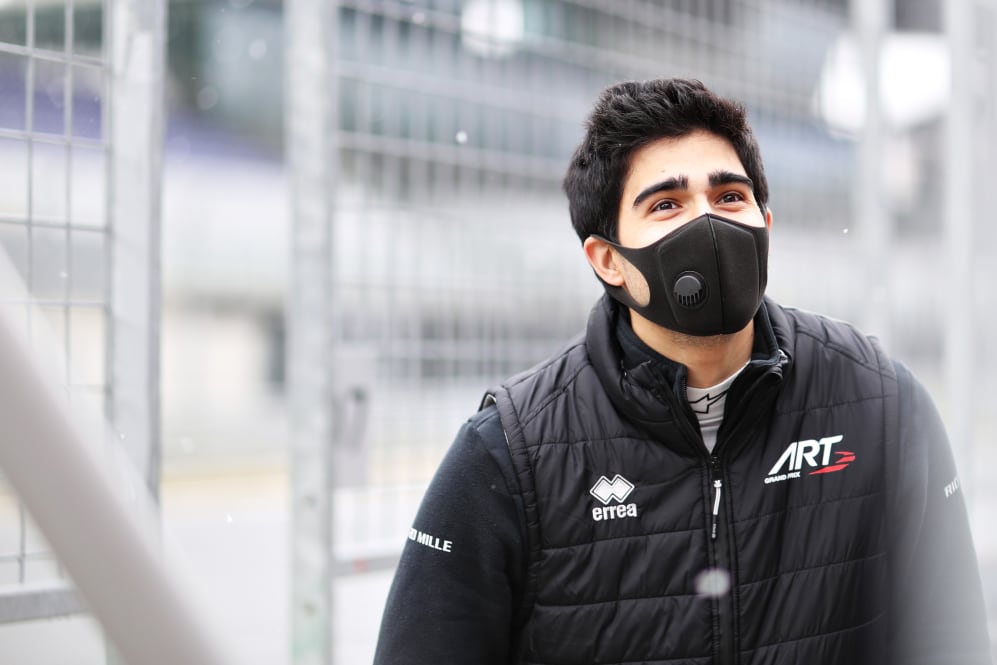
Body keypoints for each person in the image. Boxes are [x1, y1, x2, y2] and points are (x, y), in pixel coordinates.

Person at [372, 78, 992, 664]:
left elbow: (954, 642)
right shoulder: (511, 452)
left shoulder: (881, 404)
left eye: (729, 197)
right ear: (608, 260)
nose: (709, 224)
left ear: (765, 226)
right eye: (667, 204)